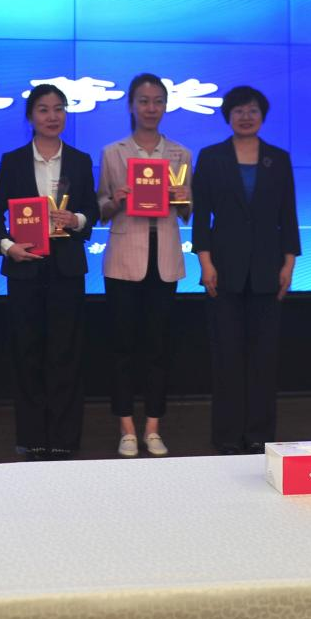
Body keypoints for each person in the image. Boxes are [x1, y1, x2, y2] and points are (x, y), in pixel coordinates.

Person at [0, 84, 99, 460]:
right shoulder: (14, 161)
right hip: (25, 268)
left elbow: (92, 212)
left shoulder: (79, 161)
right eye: (44, 109)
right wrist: (7, 246)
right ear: (31, 116)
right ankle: (32, 437)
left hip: (67, 268)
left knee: (66, 353)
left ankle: (64, 438)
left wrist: (76, 219)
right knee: (27, 353)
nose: (52, 116)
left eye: (59, 109)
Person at [191, 85, 300, 454]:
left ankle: (259, 435)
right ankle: (226, 436)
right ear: (228, 116)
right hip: (223, 268)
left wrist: (289, 264)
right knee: (227, 357)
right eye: (238, 110)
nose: (246, 116)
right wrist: (205, 263)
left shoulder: (278, 159)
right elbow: (201, 218)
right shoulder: (211, 157)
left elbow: (288, 215)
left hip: (268, 269)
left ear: (262, 115)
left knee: (263, 359)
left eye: (252, 110)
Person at [96, 74, 192, 458]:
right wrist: (115, 199)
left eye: (158, 101)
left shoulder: (181, 154)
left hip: (164, 259)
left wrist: (183, 198)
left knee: (158, 348)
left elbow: (186, 213)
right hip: (123, 260)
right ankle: (126, 428)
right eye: (144, 101)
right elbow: (100, 209)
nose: (151, 108)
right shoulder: (112, 152)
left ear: (165, 106)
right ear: (131, 106)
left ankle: (153, 427)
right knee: (122, 348)